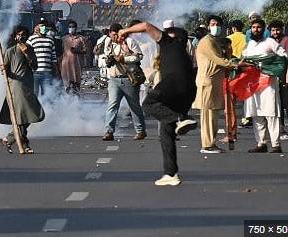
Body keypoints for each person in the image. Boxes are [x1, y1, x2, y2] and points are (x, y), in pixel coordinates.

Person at [120, 20, 197, 186]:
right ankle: (170, 173)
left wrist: (125, 31)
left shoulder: (169, 42)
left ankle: (179, 119)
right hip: (189, 90)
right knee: (166, 131)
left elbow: (146, 26)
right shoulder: (182, 50)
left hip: (173, 83)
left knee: (148, 103)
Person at [242, 19, 287, 153]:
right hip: (253, 84)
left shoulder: (270, 42)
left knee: (271, 113)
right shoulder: (249, 44)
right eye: (254, 27)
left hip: (268, 84)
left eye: (259, 27)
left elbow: (283, 56)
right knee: (256, 113)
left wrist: (269, 66)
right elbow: (244, 59)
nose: (256, 29)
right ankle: (261, 143)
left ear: (263, 29)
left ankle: (275, 144)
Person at [0, 25, 45, 154]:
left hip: (28, 85)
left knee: (32, 114)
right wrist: (3, 69)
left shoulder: (29, 49)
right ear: (15, 36)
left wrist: (27, 54)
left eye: (24, 34)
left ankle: (9, 138)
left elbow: (35, 66)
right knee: (22, 117)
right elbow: (5, 71)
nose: (22, 36)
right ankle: (25, 144)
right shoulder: (10, 51)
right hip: (16, 87)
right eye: (20, 34)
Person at [193, 15, 234, 154]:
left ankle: (211, 143)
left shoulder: (216, 41)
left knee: (213, 115)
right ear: (208, 26)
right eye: (212, 24)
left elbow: (224, 59)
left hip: (215, 83)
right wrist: (235, 64)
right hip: (207, 82)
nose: (215, 26)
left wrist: (229, 54)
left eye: (217, 24)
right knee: (208, 116)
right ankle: (207, 145)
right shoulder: (206, 41)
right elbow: (219, 60)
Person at [102, 23, 147, 141]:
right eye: (112, 35)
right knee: (112, 106)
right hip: (114, 78)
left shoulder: (129, 42)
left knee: (134, 106)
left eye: (115, 35)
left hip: (129, 78)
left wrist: (123, 59)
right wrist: (109, 60)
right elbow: (107, 55)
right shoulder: (109, 42)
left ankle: (140, 131)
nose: (114, 38)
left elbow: (139, 57)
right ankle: (109, 131)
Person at [26, 18, 58, 98]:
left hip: (47, 72)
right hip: (35, 72)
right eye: (41, 26)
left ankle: (46, 110)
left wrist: (56, 70)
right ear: (37, 27)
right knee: (35, 95)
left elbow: (53, 57)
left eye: (45, 26)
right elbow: (26, 54)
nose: (43, 27)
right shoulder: (31, 39)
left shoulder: (50, 39)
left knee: (47, 95)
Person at [268, 20, 288, 139]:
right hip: (272, 77)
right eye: (273, 30)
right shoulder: (268, 42)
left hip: (284, 76)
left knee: (285, 103)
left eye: (277, 30)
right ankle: (281, 128)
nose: (275, 32)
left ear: (282, 30)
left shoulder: (286, 41)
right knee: (276, 103)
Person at [60, 20, 86, 94]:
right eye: (70, 27)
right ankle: (67, 102)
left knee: (76, 84)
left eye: (73, 27)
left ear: (76, 28)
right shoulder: (64, 38)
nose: (71, 28)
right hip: (66, 65)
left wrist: (77, 51)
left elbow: (85, 51)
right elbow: (61, 51)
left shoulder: (81, 38)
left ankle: (77, 101)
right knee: (67, 84)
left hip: (76, 65)